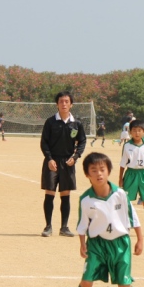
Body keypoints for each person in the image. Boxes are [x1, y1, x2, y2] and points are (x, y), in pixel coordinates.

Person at [66, 152, 144, 287]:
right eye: (94, 170)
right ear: (87, 174)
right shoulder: (85, 199)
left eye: (102, 169)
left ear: (109, 171)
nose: (99, 174)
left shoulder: (120, 194)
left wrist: (140, 239)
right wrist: (82, 244)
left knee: (124, 285)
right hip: (97, 245)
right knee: (86, 281)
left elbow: (133, 217)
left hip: (120, 245)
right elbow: (83, 224)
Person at [40, 91, 87, 238]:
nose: (64, 104)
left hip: (68, 163)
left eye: (67, 101)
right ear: (57, 104)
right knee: (50, 194)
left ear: (71, 104)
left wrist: (76, 157)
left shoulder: (76, 124)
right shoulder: (50, 122)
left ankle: (64, 227)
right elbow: (44, 142)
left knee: (65, 195)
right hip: (52, 162)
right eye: (61, 101)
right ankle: (48, 226)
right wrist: (49, 159)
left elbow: (82, 141)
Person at [119, 119, 144, 237]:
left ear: (143, 132)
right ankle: (126, 227)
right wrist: (120, 179)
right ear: (130, 132)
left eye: (139, 130)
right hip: (131, 174)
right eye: (134, 130)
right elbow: (123, 164)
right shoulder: (127, 146)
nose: (137, 133)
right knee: (126, 201)